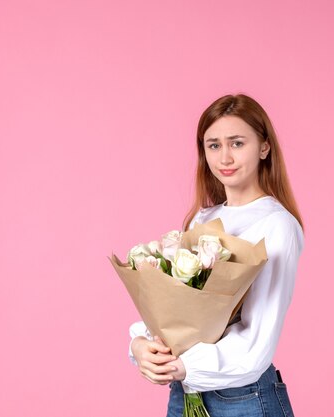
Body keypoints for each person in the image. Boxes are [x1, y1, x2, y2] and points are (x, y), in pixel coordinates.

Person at [128, 94, 305, 417]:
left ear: (264, 147)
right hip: (186, 393)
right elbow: (178, 310)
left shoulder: (278, 225)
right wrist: (141, 345)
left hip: (244, 398)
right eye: (213, 145)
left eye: (237, 143)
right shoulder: (203, 220)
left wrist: (183, 366)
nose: (225, 156)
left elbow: (257, 342)